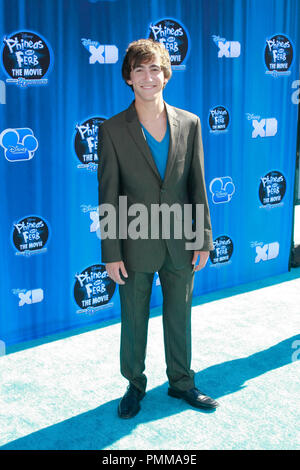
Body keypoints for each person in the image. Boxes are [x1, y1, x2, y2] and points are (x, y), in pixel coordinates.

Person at [97, 39, 219, 419]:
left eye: (154, 69)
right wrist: (112, 252)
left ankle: (182, 382)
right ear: (129, 78)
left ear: (166, 74)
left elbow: (197, 186)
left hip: (181, 241)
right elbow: (108, 194)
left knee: (180, 316)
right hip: (134, 242)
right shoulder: (113, 130)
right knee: (133, 319)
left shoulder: (191, 123)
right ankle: (134, 384)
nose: (148, 77)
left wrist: (202, 239)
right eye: (139, 70)